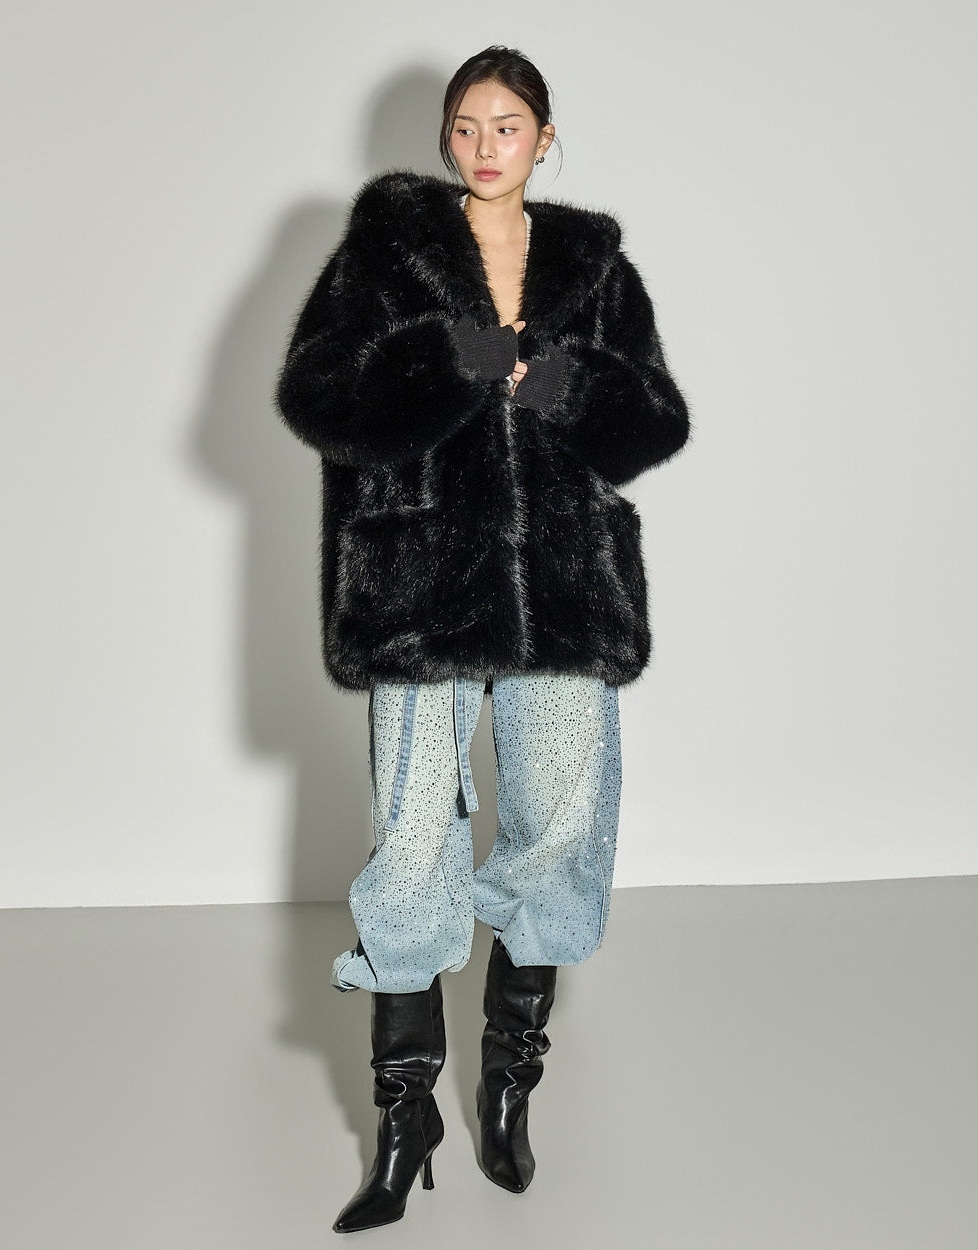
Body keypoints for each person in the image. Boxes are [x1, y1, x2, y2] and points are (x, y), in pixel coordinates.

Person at [273, 44, 691, 1235]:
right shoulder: (387, 251)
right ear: (447, 137)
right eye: (466, 125)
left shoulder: (596, 268)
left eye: (507, 125)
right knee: (412, 840)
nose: (484, 144)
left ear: (543, 139)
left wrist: (554, 382)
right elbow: (317, 395)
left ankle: (509, 1077)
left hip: (564, 591)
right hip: (419, 586)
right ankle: (405, 1115)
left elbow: (651, 421)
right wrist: (444, 362)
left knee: (558, 822)